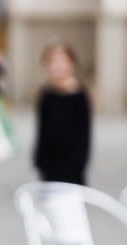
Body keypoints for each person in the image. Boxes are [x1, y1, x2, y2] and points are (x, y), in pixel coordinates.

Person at [33, 40, 91, 187]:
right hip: (49, 163)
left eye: (61, 61)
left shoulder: (79, 95)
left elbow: (83, 134)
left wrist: (78, 161)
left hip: (72, 165)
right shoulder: (46, 94)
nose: (56, 67)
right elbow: (42, 131)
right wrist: (39, 160)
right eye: (51, 62)